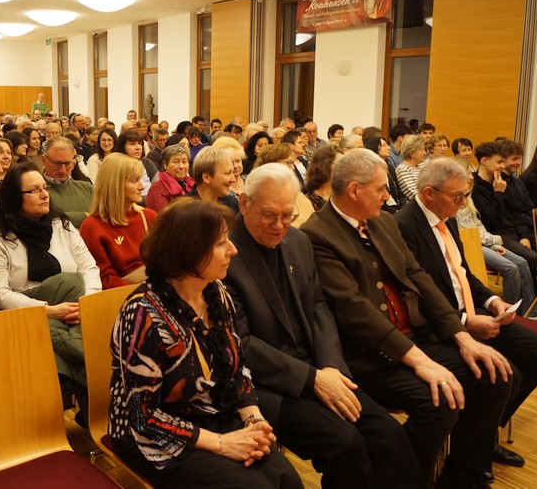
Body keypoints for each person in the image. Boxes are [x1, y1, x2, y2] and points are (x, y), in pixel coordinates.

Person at [301, 148, 513, 486]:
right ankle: (406, 480)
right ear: (354, 190)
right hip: (370, 355)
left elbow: (418, 278)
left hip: (414, 337)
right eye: (381, 188)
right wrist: (422, 362)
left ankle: (462, 477)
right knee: (439, 403)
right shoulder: (316, 234)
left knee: (495, 375)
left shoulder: (383, 222)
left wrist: (462, 338)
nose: (388, 196)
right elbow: (356, 311)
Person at [225, 164, 426, 489]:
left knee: (389, 436)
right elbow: (241, 344)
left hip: (321, 369)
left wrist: (331, 365)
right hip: (269, 385)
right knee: (348, 446)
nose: (280, 225)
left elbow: (319, 306)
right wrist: (313, 379)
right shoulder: (225, 254)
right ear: (244, 203)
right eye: (269, 215)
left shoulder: (298, 241)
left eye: (288, 215)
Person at [109, 198, 303, 489]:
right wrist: (223, 444)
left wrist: (253, 419)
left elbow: (237, 366)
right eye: (221, 243)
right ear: (189, 251)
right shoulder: (143, 314)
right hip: (154, 435)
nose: (233, 249)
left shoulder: (217, 293)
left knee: (287, 479)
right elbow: (143, 416)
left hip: (210, 412)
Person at [396, 158, 537, 480]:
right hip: (440, 324)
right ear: (429, 193)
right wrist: (465, 321)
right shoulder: (404, 226)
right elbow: (416, 294)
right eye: (457, 196)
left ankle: (481, 432)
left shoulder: (448, 216)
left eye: (465, 195)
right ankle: (471, 451)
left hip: (471, 311)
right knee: (504, 374)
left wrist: (493, 301)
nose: (463, 202)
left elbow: (463, 274)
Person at [0, 161, 100, 420]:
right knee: (69, 282)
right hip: (27, 316)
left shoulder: (61, 225)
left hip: (74, 311)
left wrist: (86, 305)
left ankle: (91, 408)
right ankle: (93, 389)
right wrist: (49, 310)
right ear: (14, 197)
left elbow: (90, 268)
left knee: (74, 283)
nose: (45, 195)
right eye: (33, 191)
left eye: (45, 188)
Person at [453, 158, 537, 319]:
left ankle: (531, 311)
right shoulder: (454, 200)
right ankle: (511, 314)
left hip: (484, 241)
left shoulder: (468, 197)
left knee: (522, 263)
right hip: (471, 245)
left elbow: (477, 224)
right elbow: (465, 234)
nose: (472, 176)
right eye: (469, 172)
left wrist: (493, 242)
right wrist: (494, 241)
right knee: (510, 269)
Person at [79, 153, 156, 288]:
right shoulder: (92, 227)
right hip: (124, 295)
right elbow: (103, 278)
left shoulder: (149, 217)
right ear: (115, 185)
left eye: (140, 179)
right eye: (134, 181)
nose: (142, 187)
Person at [471, 142, 537, 275]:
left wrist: (524, 236)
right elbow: (491, 221)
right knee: (532, 258)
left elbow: (516, 213)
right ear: (484, 161)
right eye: (499, 162)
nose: (502, 166)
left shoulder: (500, 182)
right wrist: (498, 193)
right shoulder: (475, 186)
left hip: (513, 232)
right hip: (495, 235)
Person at [253, 144, 314, 228]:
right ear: (271, 166)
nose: (293, 168)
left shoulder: (299, 196)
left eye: (292, 163)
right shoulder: (260, 198)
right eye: (288, 163)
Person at [42, 137, 95, 227]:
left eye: (67, 164)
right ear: (43, 160)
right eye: (57, 164)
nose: (63, 170)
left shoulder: (87, 188)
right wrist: (84, 216)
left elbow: (104, 216)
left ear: (74, 162)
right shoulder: (38, 192)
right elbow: (45, 220)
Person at [187, 146, 239, 213]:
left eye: (232, 172)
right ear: (206, 177)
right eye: (228, 173)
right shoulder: (185, 210)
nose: (234, 180)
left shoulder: (231, 203)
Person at [145, 144, 194, 212]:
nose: (181, 166)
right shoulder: (157, 189)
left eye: (184, 162)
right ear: (165, 165)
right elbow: (163, 216)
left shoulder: (193, 184)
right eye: (176, 162)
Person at [364, 136, 403, 213]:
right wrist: (395, 211)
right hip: (382, 209)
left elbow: (399, 193)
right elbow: (375, 198)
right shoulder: (370, 170)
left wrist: (402, 209)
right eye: (384, 145)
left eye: (387, 145)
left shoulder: (390, 168)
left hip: (395, 206)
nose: (389, 148)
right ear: (374, 148)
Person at [304, 145, 339, 212]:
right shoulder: (308, 200)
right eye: (338, 163)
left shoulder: (345, 194)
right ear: (324, 166)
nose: (343, 167)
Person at [395, 134, 428, 204]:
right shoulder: (403, 169)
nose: (425, 153)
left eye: (424, 149)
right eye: (421, 150)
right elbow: (413, 195)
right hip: (416, 206)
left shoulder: (421, 166)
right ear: (411, 153)